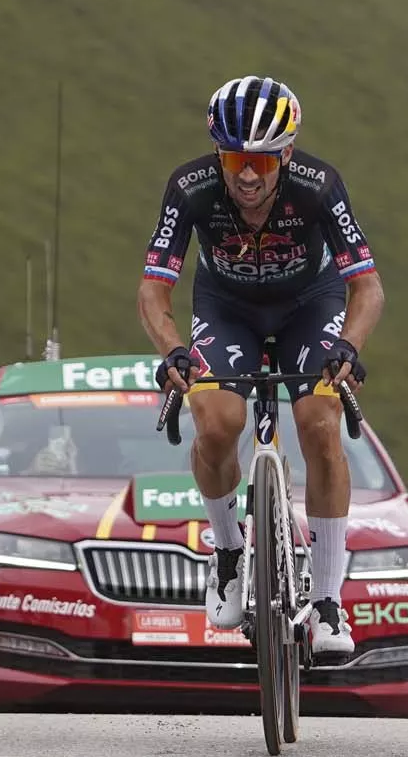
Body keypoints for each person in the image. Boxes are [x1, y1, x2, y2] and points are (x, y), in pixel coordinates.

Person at [137, 76, 385, 658]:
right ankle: (226, 551)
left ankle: (326, 599)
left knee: (321, 426)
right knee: (217, 422)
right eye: (234, 159)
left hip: (309, 306)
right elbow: (153, 290)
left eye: (262, 162)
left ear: (287, 155)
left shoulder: (320, 188)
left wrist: (348, 346)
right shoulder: (191, 188)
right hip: (226, 309)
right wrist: (173, 351)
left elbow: (367, 288)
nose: (247, 176)